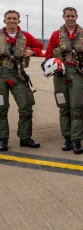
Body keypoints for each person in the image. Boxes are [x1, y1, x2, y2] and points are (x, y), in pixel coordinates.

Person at [45, 7, 83, 154]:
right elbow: (49, 54)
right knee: (63, 107)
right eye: (68, 16)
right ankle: (67, 138)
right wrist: (51, 67)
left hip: (78, 72)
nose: (70, 18)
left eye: (72, 16)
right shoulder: (56, 35)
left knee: (77, 107)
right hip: (60, 75)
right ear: (63, 17)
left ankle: (76, 140)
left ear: (77, 17)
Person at [0, 10, 43, 152]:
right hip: (1, 74)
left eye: (15, 19)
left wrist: (32, 51)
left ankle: (25, 137)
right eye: (9, 18)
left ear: (19, 21)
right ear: (4, 20)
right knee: (1, 108)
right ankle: (2, 139)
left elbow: (39, 46)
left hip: (18, 75)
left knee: (26, 106)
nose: (12, 21)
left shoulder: (25, 36)